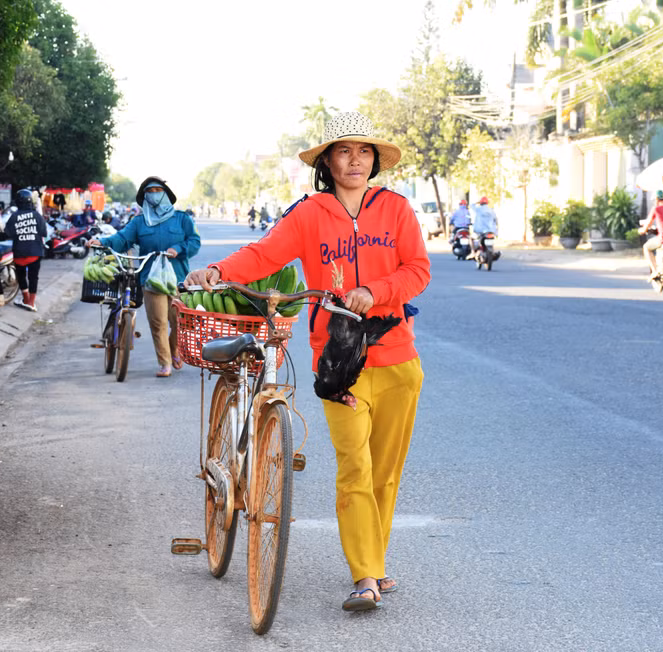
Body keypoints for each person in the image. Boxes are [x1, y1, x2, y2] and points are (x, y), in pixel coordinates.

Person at [185, 111, 430, 612]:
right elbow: (264, 255)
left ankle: (376, 564)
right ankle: (364, 576)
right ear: (327, 161)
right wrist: (217, 270)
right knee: (354, 468)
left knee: (386, 472)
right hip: (340, 363)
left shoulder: (398, 210)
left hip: (398, 358)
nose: (355, 160)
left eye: (364, 151)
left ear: (375, 161)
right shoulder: (310, 213)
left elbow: (418, 270)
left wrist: (375, 290)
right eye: (344, 151)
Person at [88, 177, 201, 377]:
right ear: (145, 197)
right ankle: (164, 363)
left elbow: (194, 241)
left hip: (178, 279)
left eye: (158, 190)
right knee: (158, 323)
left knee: (181, 322)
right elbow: (122, 239)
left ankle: (175, 349)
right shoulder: (139, 222)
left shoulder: (182, 219)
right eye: (150, 191)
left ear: (166, 194)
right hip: (151, 279)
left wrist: (178, 248)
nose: (154, 194)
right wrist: (102, 242)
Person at [0, 189, 47, 311]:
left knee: (21, 276)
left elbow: (7, 234)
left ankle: (25, 299)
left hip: (20, 254)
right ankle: (31, 302)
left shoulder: (14, 217)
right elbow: (44, 233)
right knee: (33, 277)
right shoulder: (37, 216)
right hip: (35, 253)